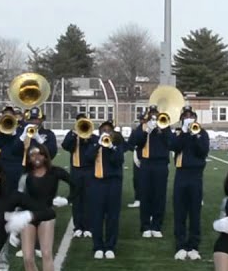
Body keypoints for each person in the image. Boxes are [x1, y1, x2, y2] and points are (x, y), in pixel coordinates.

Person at [15, 143, 71, 271]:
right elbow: (18, 197)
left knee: (46, 253)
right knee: (27, 257)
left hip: (46, 215)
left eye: (39, 154)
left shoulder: (55, 172)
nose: (36, 158)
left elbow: (76, 184)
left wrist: (68, 200)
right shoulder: (25, 176)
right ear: (29, 158)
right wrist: (14, 221)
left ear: (45, 156)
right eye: (32, 155)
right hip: (29, 216)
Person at [80, 120, 126, 259]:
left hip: (113, 183)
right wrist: (98, 145)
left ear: (112, 132)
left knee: (112, 216)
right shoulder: (94, 143)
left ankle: (110, 246)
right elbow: (87, 158)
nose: (106, 132)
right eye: (103, 130)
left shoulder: (117, 143)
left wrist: (111, 147)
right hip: (97, 184)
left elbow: (118, 161)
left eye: (109, 130)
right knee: (97, 216)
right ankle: (98, 246)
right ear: (99, 132)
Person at [170, 107, 210, 260]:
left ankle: (194, 245)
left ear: (195, 118)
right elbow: (174, 146)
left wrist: (195, 135)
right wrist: (185, 133)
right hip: (181, 175)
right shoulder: (179, 133)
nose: (188, 118)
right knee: (180, 211)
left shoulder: (202, 133)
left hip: (195, 176)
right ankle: (180, 245)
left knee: (195, 212)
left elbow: (202, 151)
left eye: (191, 116)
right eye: (185, 116)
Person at [128, 106, 172, 238]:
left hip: (161, 163)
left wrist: (162, 129)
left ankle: (157, 225)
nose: (153, 117)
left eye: (155, 115)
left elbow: (170, 143)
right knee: (145, 195)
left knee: (160, 195)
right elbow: (134, 143)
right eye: (151, 115)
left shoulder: (165, 127)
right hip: (146, 163)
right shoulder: (141, 128)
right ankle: (145, 225)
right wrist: (146, 130)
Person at [60, 113, 93, 240]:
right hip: (76, 171)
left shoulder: (92, 136)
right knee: (77, 199)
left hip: (89, 171)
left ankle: (88, 227)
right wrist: (74, 134)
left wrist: (87, 137)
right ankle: (78, 227)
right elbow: (65, 146)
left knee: (88, 199)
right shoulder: (72, 135)